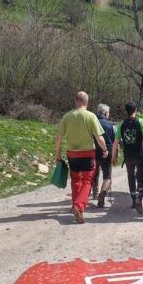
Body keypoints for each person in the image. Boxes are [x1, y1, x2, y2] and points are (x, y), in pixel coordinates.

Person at [55, 91, 107, 224]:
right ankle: (78, 206)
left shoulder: (67, 116)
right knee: (87, 182)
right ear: (87, 102)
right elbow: (99, 138)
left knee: (75, 180)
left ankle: (76, 206)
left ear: (75, 101)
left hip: (72, 154)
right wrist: (105, 150)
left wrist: (58, 154)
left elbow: (59, 137)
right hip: (88, 154)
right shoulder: (91, 116)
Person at [112, 102, 143, 213]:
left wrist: (113, 155)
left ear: (125, 111)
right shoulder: (141, 122)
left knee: (131, 176)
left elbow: (116, 142)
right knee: (142, 177)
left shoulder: (121, 124)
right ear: (135, 110)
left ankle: (133, 200)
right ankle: (139, 198)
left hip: (128, 156)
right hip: (141, 154)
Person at [92, 104, 115, 208]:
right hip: (107, 152)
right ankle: (102, 194)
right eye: (108, 113)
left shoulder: (92, 122)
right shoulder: (111, 125)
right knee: (107, 176)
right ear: (106, 113)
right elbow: (115, 140)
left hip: (94, 151)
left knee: (95, 173)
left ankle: (95, 194)